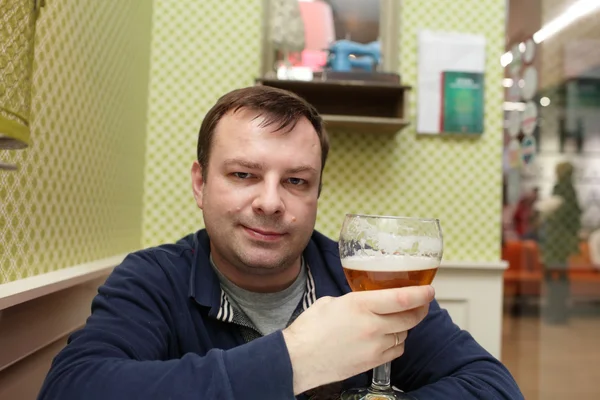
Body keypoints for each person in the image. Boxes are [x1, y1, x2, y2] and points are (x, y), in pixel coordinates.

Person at [37, 86, 523, 399]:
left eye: (296, 182)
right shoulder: (153, 278)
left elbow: (492, 387)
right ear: (200, 183)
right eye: (244, 174)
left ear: (316, 195)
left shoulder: (361, 278)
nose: (270, 202)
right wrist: (295, 359)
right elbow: (72, 389)